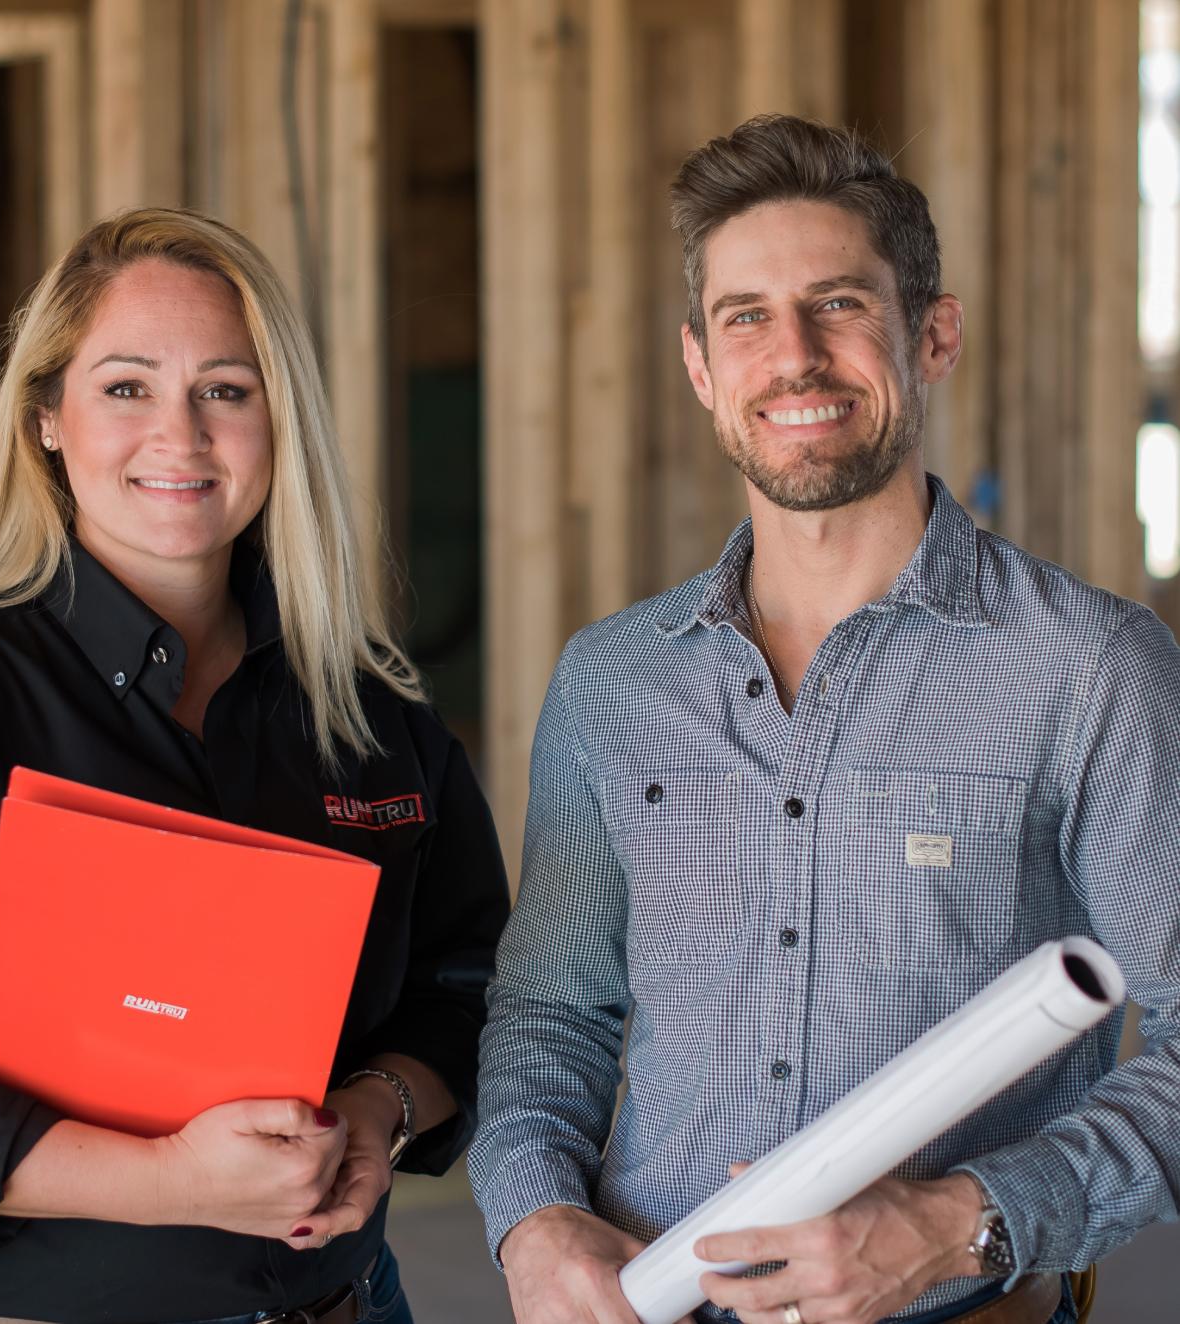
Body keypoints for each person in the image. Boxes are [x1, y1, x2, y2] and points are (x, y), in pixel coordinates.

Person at [468, 114, 1180, 1324]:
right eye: (747, 316)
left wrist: (961, 1224)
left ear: (932, 334)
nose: (793, 355)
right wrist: (533, 1222)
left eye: (841, 304)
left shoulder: (1090, 669)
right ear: (701, 366)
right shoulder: (614, 684)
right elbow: (550, 1013)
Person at [0, 206, 509, 1324]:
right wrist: (171, 1180)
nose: (182, 434)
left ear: (278, 420)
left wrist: (379, 1110)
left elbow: (471, 987)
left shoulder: (371, 711)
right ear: (47, 421)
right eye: (125, 388)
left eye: (225, 388)